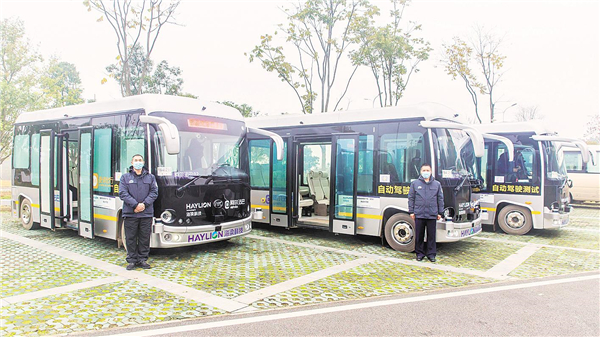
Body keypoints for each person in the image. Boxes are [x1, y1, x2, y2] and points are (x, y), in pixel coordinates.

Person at [119, 154, 158, 270]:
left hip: (146, 213)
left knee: (144, 237)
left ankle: (142, 259)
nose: (138, 162)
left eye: (140, 160)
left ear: (143, 162)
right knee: (130, 237)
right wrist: (135, 205)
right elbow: (123, 193)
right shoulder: (125, 177)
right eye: (136, 160)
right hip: (131, 213)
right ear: (132, 162)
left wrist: (144, 204)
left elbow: (154, 192)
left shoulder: (150, 178)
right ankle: (131, 260)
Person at [408, 163, 444, 262]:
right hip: (419, 213)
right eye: (424, 170)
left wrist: (440, 212)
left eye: (427, 170)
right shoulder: (415, 183)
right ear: (420, 172)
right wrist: (411, 211)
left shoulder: (437, 184)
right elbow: (411, 198)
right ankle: (419, 254)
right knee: (419, 235)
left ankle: (431, 254)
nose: (426, 172)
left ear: (431, 171)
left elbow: (440, 199)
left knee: (431, 236)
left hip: (432, 214)